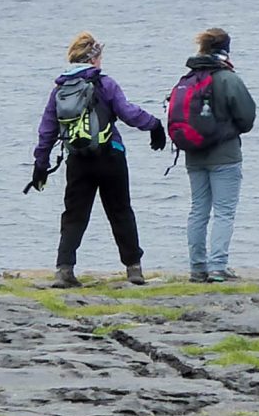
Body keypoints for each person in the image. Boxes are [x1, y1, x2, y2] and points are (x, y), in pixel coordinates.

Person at [26, 31, 164, 287]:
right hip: (110, 155)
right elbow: (127, 112)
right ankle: (134, 269)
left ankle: (64, 270)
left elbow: (47, 130)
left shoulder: (59, 89)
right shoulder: (104, 83)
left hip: (78, 160)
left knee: (74, 215)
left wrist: (40, 165)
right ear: (94, 58)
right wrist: (154, 125)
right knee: (120, 212)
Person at [165, 27, 258, 282]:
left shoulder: (188, 78)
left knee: (198, 210)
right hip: (225, 156)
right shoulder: (229, 79)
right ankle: (217, 266)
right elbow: (247, 117)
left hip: (194, 155)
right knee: (224, 212)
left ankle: (197, 267)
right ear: (226, 49)